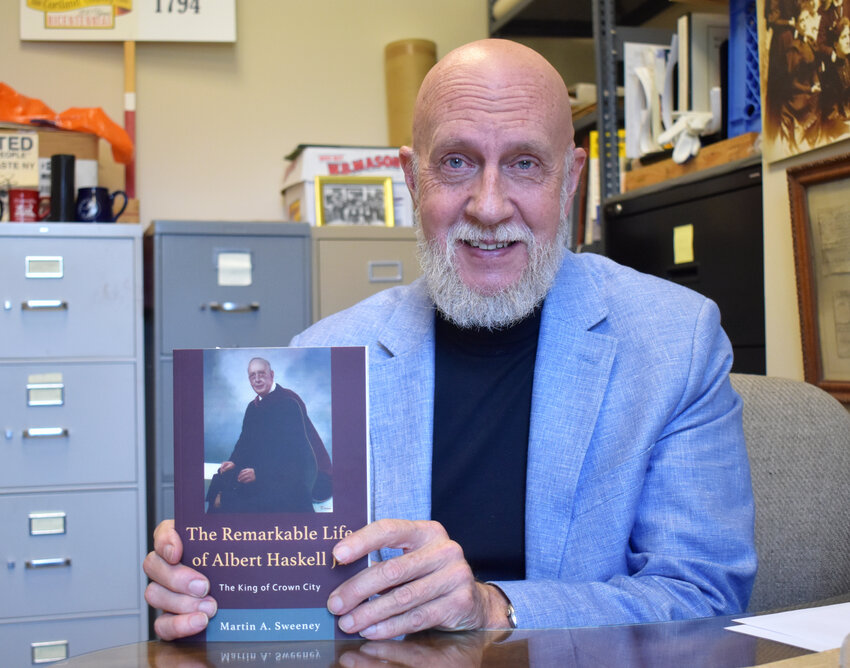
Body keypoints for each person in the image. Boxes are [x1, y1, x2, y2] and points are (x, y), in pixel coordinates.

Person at [144, 39, 756, 641]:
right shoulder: (330, 352)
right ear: (413, 179)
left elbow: (703, 594)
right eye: (457, 162)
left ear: (570, 181)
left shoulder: (676, 342)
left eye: (524, 164)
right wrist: (212, 591)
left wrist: (494, 608)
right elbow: (296, 576)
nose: (489, 207)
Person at [206, 357, 332, 513]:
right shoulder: (252, 407)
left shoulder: (289, 403)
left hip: (290, 479)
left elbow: (294, 455)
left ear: (271, 374)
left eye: (261, 374)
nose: (257, 379)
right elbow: (244, 442)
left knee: (231, 502)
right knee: (220, 483)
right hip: (262, 472)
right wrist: (233, 462)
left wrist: (259, 474)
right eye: (253, 375)